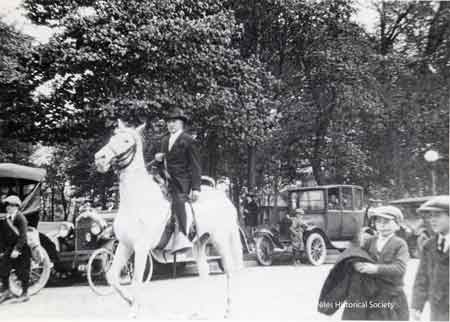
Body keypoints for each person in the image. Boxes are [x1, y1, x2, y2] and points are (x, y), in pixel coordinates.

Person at [350, 205, 409, 320]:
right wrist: (357, 264)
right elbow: (356, 256)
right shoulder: (370, 241)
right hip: (372, 296)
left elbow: (400, 268)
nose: (382, 225)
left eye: (387, 221)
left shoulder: (400, 244)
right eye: (378, 221)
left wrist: (375, 269)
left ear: (397, 225)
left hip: (393, 297)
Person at [155, 108, 201, 250]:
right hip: (166, 180)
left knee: (178, 200)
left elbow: (195, 165)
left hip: (182, 182)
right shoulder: (164, 140)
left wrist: (196, 188)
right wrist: (158, 160)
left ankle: (182, 236)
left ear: (181, 123)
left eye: (174, 121)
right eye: (169, 122)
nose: (171, 125)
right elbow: (161, 164)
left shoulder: (188, 140)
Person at [411, 196, 449, 321]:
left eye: (437, 215)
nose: (432, 220)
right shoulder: (429, 245)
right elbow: (422, 277)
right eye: (430, 216)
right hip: (437, 310)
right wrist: (417, 305)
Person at [0, 195, 31, 304]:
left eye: (11, 205)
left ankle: (25, 293)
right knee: (3, 268)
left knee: (22, 272)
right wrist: (2, 250)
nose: (8, 207)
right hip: (9, 248)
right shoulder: (6, 219)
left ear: (17, 206)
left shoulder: (20, 218)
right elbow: (3, 236)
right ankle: (6, 290)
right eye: (7, 205)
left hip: (22, 249)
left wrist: (17, 250)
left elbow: (23, 236)